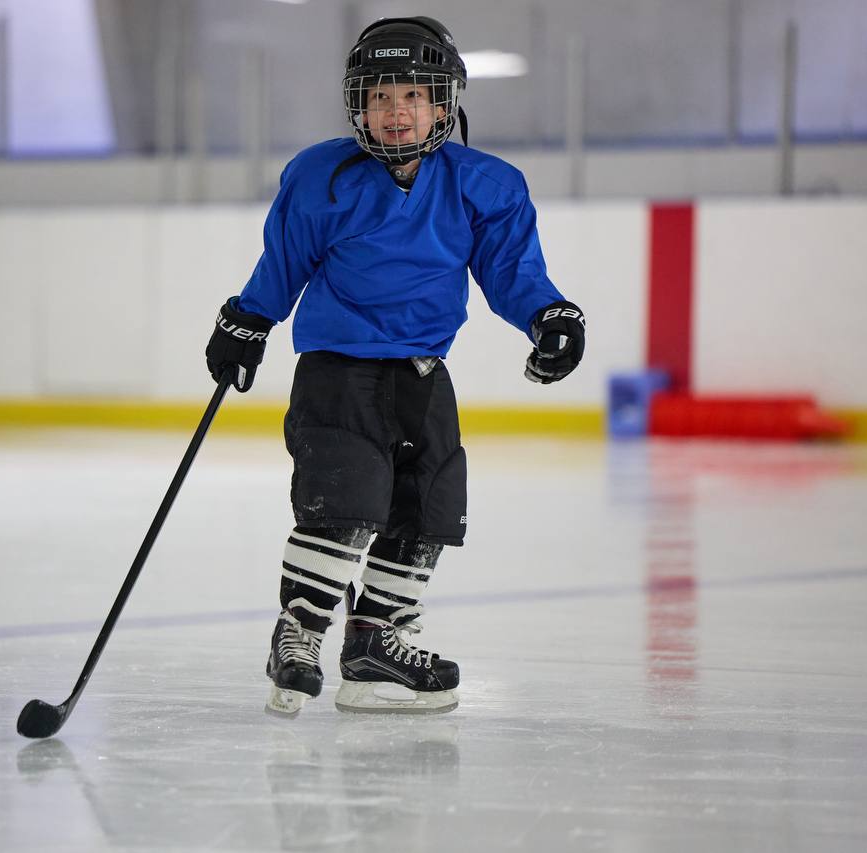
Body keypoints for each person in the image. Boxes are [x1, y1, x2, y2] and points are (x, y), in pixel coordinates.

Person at [205, 16, 586, 716]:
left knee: (428, 507)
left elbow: (511, 271)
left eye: (414, 95)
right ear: (359, 105)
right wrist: (246, 319)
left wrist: (549, 315)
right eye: (380, 97)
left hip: (421, 374)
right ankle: (299, 631)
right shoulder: (321, 174)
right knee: (343, 500)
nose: (396, 111)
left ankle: (376, 640)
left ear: (444, 104)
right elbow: (283, 262)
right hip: (337, 372)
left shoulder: (486, 185)